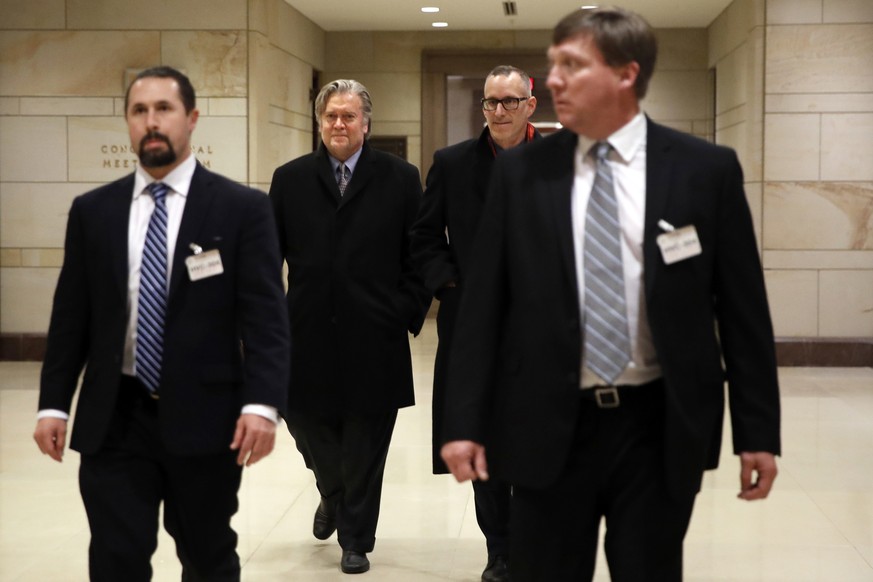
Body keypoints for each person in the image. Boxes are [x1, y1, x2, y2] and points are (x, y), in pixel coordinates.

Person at [440, 7, 781, 582]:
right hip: (547, 420)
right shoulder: (521, 173)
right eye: (553, 66)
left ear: (626, 73)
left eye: (570, 66)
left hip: (658, 424)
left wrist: (758, 432)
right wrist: (464, 419)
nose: (552, 81)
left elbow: (743, 311)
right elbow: (483, 309)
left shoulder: (705, 171)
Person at [32, 66, 289, 581]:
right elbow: (71, 317)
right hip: (115, 417)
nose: (151, 122)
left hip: (208, 417)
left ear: (191, 119)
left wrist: (262, 405)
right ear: (128, 123)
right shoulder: (93, 211)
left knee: (207, 555)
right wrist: (54, 404)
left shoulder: (242, 209)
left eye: (164, 109)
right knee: (116, 557)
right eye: (139, 111)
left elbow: (265, 317)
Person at [268, 79, 431, 575]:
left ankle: (356, 538)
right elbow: (265, 257)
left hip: (374, 336)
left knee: (365, 445)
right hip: (306, 333)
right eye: (331, 116)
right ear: (319, 123)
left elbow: (420, 254)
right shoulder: (290, 178)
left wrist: (404, 311)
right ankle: (331, 494)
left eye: (349, 116)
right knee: (306, 425)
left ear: (367, 124)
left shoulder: (400, 178)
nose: (339, 124)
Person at [411, 65, 539, 582]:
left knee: (537, 437)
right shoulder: (453, 163)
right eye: (491, 102)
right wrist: (451, 286)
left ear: (532, 105)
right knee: (481, 435)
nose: (500, 111)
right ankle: (500, 548)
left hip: (542, 329)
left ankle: (532, 538)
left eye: (510, 101)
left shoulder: (563, 161)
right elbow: (423, 238)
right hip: (473, 328)